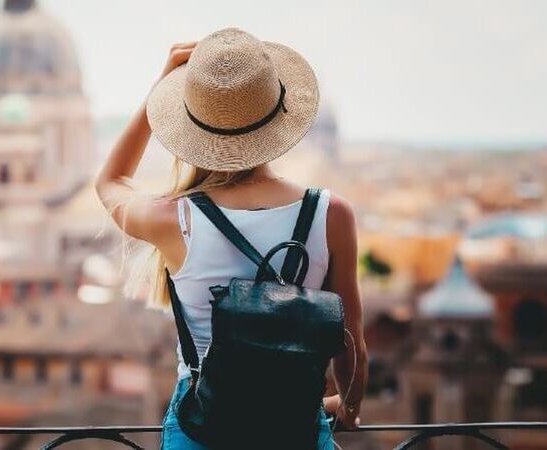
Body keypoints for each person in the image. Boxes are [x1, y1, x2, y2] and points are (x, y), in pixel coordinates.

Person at [95, 28, 367, 449]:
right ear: (278, 117)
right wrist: (348, 410)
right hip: (294, 427)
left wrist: (159, 88)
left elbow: (111, 181)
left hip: (202, 430)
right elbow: (351, 344)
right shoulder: (332, 214)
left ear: (190, 123)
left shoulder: (175, 218)